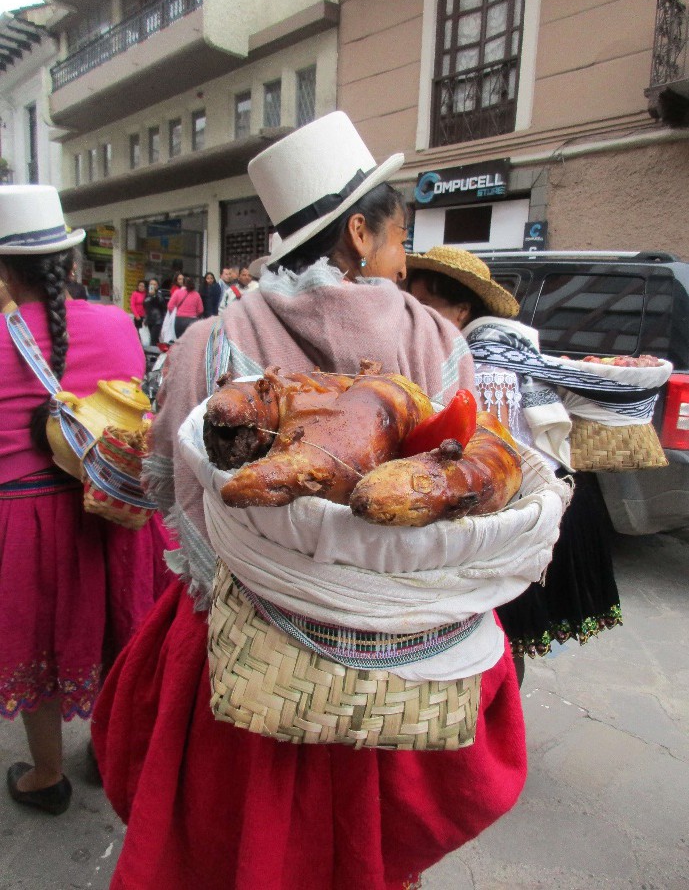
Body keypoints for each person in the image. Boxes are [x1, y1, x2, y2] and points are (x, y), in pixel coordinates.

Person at [92, 112, 528, 890]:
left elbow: (167, 485)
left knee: (240, 850)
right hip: (405, 659)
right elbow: (479, 496)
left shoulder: (206, 345)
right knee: (374, 850)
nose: (401, 263)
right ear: (358, 234)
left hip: (240, 656)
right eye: (397, 241)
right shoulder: (437, 343)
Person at [0, 185, 171, 816]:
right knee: (113, 635)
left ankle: (46, 775)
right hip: (111, 507)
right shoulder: (117, 323)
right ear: (70, 265)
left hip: (22, 521)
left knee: (35, 646)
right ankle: (105, 748)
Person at [405, 246, 622, 683]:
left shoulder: (486, 364)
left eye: (426, 306)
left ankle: (501, 730)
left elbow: (495, 463)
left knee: (501, 635)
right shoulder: (494, 346)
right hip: (537, 502)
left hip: (527, 509)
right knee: (501, 635)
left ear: (462, 309)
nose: (416, 318)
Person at [167, 274, 203, 338]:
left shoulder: (177, 292)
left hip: (179, 320)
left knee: (180, 341)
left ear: (183, 283)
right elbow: (200, 310)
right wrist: (195, 314)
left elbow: (170, 306)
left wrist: (175, 312)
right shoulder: (197, 295)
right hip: (192, 320)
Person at [143, 278, 167, 347]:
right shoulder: (147, 294)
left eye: (154, 284)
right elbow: (145, 305)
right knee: (154, 339)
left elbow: (162, 304)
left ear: (157, 286)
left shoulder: (159, 294)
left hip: (157, 320)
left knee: (153, 339)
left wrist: (154, 295)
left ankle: (154, 355)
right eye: (151, 284)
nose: (152, 286)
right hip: (150, 319)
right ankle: (161, 351)